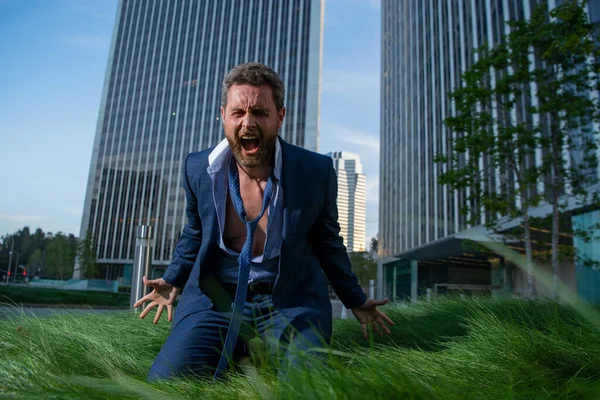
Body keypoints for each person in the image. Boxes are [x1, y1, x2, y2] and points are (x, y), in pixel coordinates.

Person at [134, 62, 394, 381]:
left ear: (280, 117)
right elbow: (194, 232)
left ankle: (247, 345)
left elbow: (328, 243)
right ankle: (235, 345)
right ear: (223, 116)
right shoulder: (198, 169)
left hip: (290, 300)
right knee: (167, 382)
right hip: (218, 297)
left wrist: (355, 299)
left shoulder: (315, 172)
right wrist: (172, 279)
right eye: (238, 113)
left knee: (305, 385)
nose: (248, 123)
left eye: (260, 112)